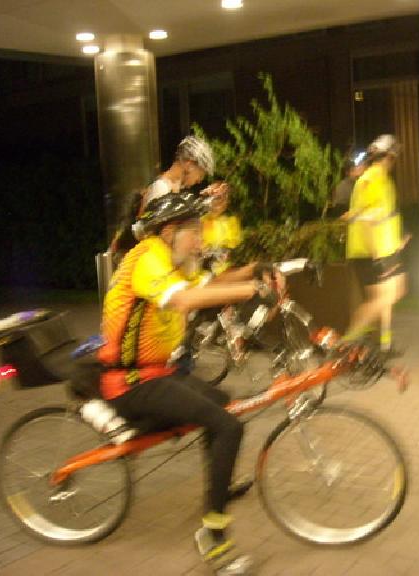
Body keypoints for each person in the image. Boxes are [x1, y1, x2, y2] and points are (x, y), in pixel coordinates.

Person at [98, 193, 269, 571]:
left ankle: (217, 489)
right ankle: (213, 534)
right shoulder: (146, 258)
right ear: (170, 231)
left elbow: (214, 280)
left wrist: (256, 269)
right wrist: (251, 292)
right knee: (228, 426)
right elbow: (184, 300)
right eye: (195, 231)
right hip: (130, 382)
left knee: (224, 401)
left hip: (158, 372)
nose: (202, 239)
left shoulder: (174, 259)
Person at [341, 134, 408, 352]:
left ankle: (384, 344)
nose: (396, 160)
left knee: (393, 291)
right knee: (382, 298)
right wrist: (376, 253)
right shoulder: (373, 179)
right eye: (394, 156)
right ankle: (347, 342)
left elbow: (385, 215)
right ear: (389, 156)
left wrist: (398, 239)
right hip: (370, 251)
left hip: (384, 249)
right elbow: (367, 219)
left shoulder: (384, 179)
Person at [109, 135, 219, 262]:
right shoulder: (161, 188)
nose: (199, 179)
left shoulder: (176, 190)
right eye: (201, 172)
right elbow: (156, 235)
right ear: (189, 164)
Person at [201, 182, 242, 275]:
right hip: (204, 271)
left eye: (224, 199)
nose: (220, 203)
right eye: (217, 198)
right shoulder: (201, 221)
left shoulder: (232, 222)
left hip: (226, 271)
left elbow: (234, 248)